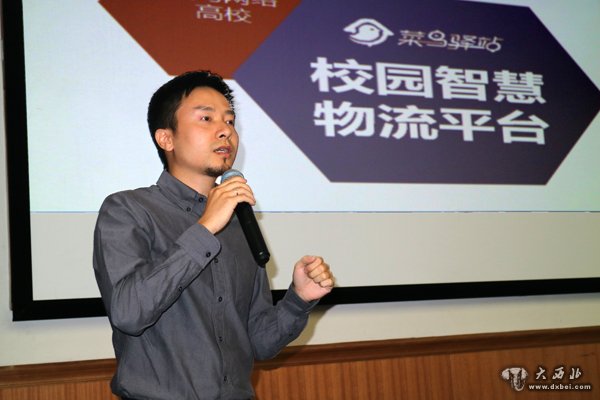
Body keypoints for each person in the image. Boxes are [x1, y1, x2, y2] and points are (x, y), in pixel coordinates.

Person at [93, 70, 335, 400]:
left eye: (230, 121)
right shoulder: (128, 209)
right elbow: (128, 313)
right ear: (166, 139)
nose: (226, 131)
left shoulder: (240, 222)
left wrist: (298, 300)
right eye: (206, 118)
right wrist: (205, 228)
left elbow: (260, 343)